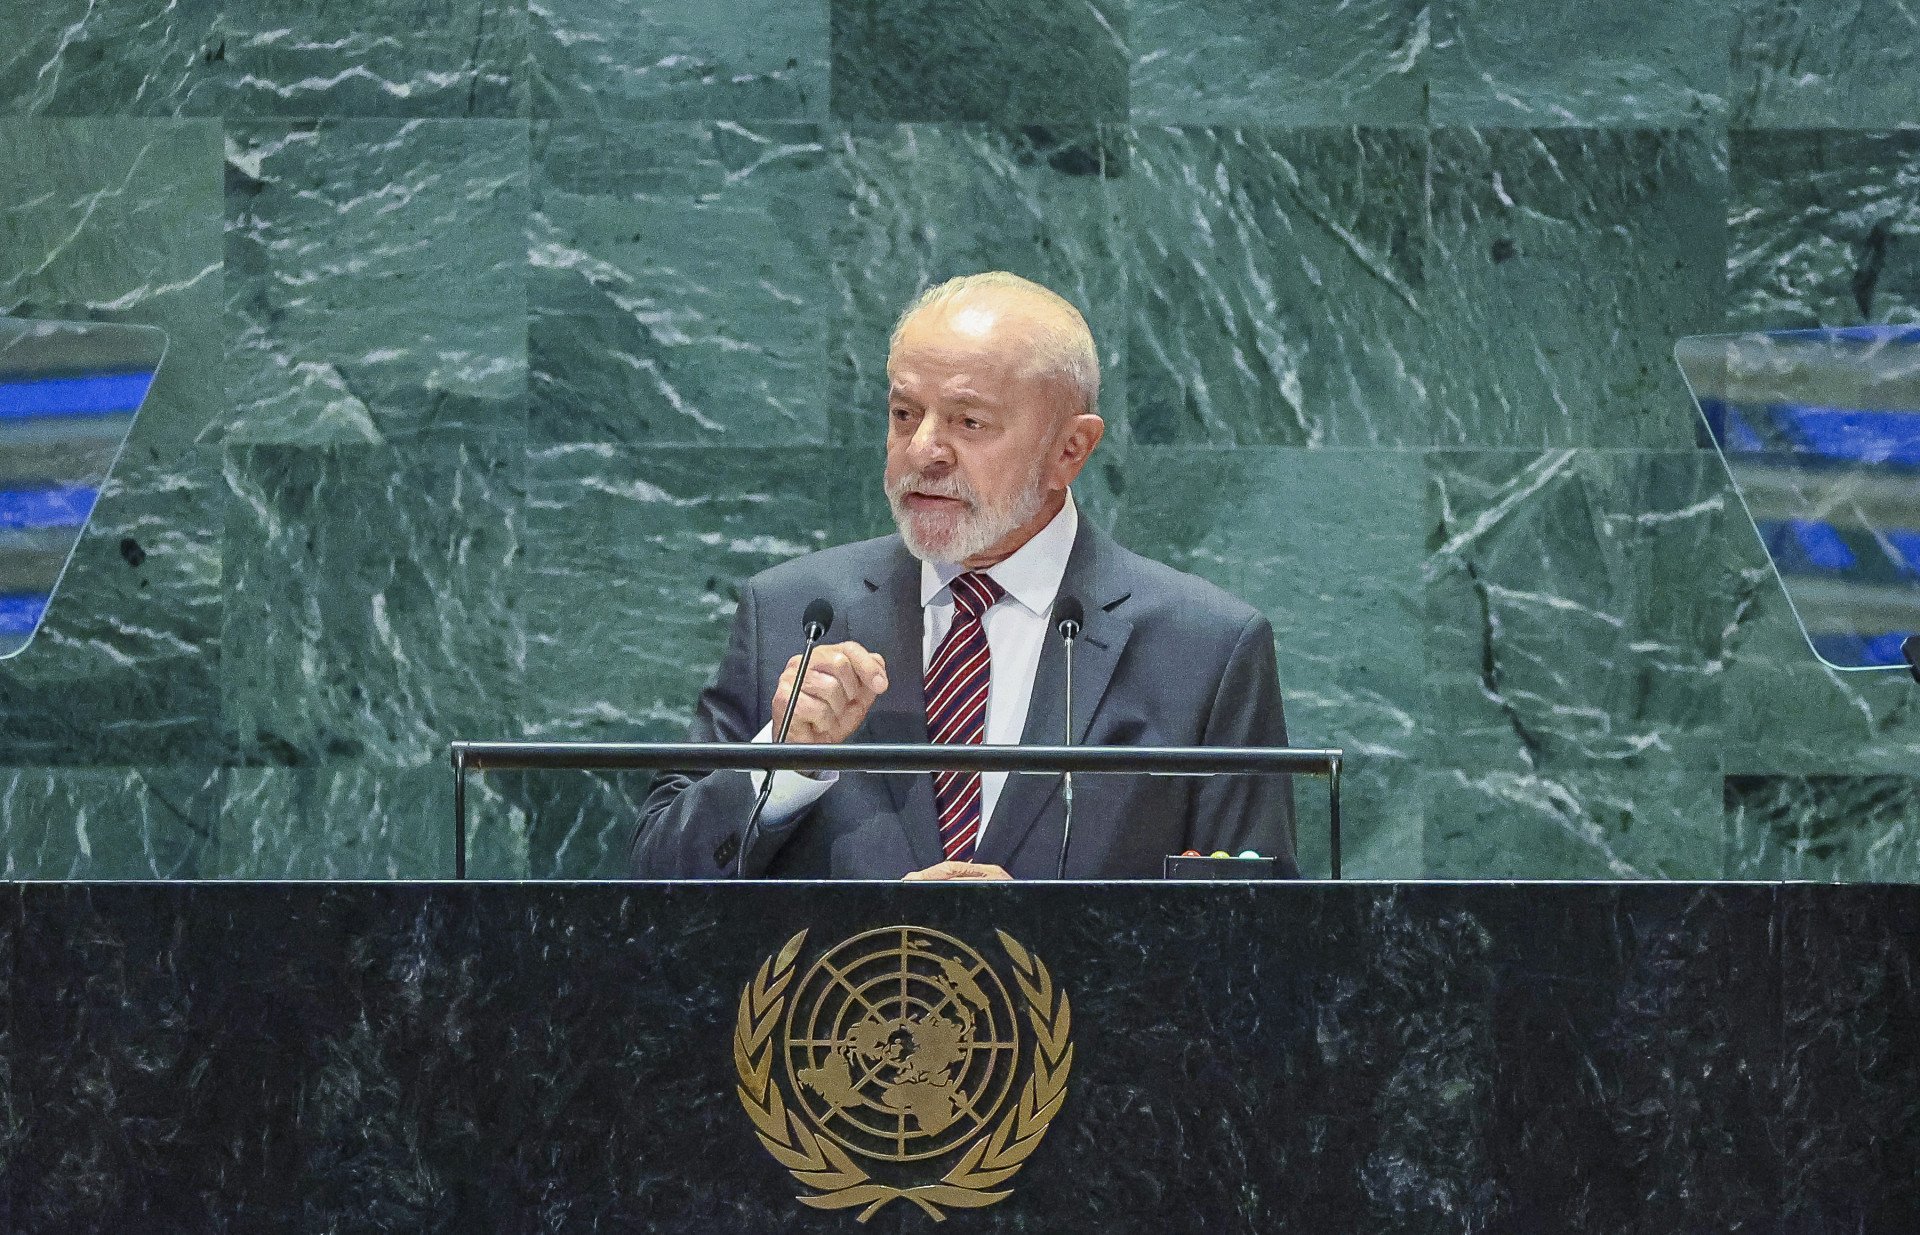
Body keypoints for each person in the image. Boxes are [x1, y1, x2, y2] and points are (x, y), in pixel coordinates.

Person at [632, 272, 1296, 880]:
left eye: (969, 422)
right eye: (903, 414)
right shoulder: (791, 615)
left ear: (1070, 448)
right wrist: (784, 761)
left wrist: (1048, 940)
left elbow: (1253, 948)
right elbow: (651, 889)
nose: (923, 449)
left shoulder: (1206, 650)